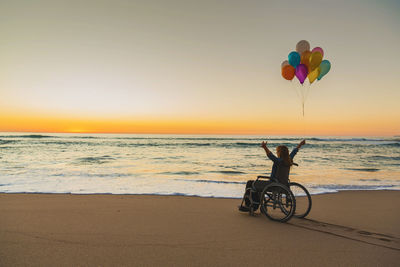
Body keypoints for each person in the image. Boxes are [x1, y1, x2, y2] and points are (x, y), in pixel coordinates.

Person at [239, 139, 306, 212]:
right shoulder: (289, 160)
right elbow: (294, 151)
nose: (276, 153)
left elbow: (270, 155)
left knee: (250, 183)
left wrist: (265, 147)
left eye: (277, 151)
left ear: (279, 153)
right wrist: (300, 144)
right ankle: (259, 204)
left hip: (273, 185)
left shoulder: (278, 161)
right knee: (258, 185)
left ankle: (251, 205)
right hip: (284, 185)